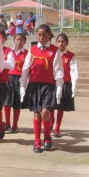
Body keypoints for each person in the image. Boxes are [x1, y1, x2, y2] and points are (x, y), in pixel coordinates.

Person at [19, 24, 64, 153]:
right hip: (34, 85)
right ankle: (37, 141)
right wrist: (23, 85)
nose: (42, 37)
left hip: (49, 86)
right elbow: (26, 68)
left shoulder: (55, 51)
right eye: (39, 35)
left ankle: (47, 136)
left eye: (44, 35)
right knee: (37, 113)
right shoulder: (32, 50)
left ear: (50, 35)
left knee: (45, 112)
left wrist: (59, 87)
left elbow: (59, 70)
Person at [50, 34, 78, 138]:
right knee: (50, 106)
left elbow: (74, 71)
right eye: (59, 41)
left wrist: (74, 84)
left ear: (66, 43)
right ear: (56, 42)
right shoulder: (52, 53)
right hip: (53, 83)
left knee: (60, 108)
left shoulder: (70, 55)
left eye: (63, 42)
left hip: (65, 84)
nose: (61, 44)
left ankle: (57, 128)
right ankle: (51, 120)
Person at [3, 34, 28, 133]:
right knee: (7, 101)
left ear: (24, 42)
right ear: (14, 41)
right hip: (9, 78)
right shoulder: (9, 52)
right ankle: (7, 123)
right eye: (17, 39)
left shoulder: (27, 53)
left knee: (17, 103)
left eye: (21, 40)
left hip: (20, 79)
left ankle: (15, 124)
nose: (19, 42)